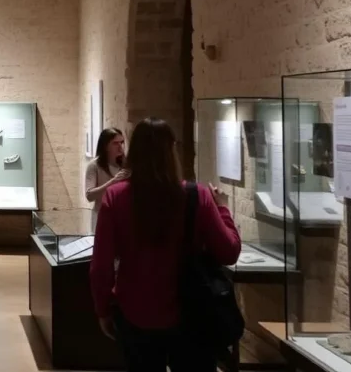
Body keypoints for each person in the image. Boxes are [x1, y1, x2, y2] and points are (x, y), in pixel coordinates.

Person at [90, 117, 241, 371]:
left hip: (134, 310)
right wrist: (223, 209)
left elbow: (101, 265)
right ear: (171, 150)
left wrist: (103, 309)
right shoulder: (198, 195)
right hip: (189, 309)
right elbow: (229, 251)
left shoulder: (116, 197)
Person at [85, 128, 126, 225]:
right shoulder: (94, 165)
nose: (120, 147)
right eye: (115, 143)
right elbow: (89, 195)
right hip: (102, 217)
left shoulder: (127, 164)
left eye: (122, 142)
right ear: (105, 146)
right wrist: (113, 182)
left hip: (123, 217)